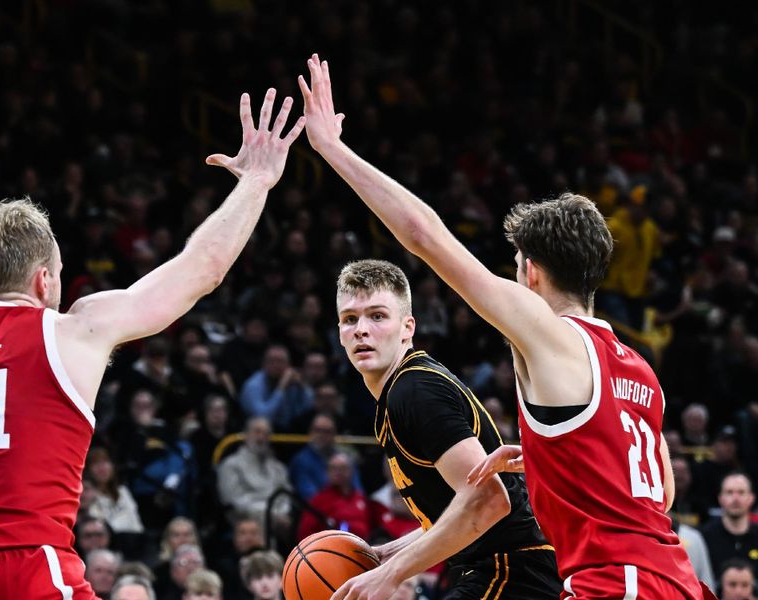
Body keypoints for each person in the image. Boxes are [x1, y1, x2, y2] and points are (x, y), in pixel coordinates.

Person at [299, 54, 704, 598]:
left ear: (529, 272)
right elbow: (659, 492)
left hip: (616, 583)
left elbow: (425, 236)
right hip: (675, 579)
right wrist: (544, 458)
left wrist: (332, 149)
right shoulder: (640, 371)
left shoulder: (549, 335)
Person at [0, 87, 304, 599]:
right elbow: (200, 270)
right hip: (31, 569)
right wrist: (256, 181)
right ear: (42, 282)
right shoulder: (72, 329)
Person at [330, 259, 560, 599]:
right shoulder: (402, 389)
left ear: (408, 327)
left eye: (377, 316)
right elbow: (458, 506)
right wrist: (388, 554)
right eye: (350, 319)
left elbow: (489, 500)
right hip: (506, 568)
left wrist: (393, 575)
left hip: (512, 570)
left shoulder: (414, 391)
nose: (361, 329)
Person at [701, 472, 758, 580]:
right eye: (729, 492)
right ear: (720, 498)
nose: (735, 498)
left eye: (741, 492)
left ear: (751, 498)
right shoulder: (704, 537)